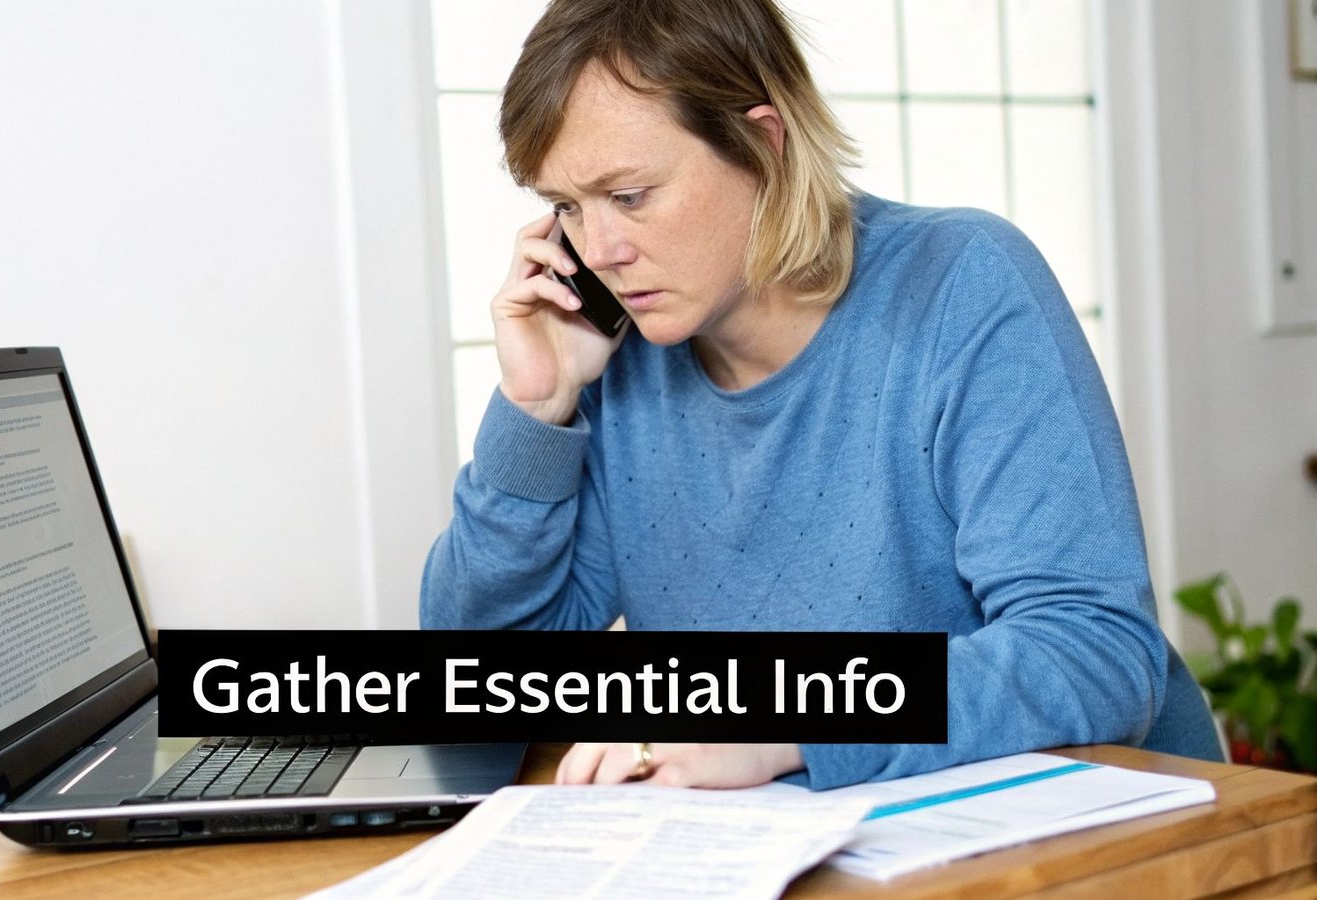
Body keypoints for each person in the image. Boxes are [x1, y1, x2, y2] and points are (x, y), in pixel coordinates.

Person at [420, 0, 1222, 790]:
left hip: (1108, 835)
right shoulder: (622, 361)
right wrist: (537, 408)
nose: (599, 252)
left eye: (629, 196)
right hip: (810, 841)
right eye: (566, 207)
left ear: (762, 145)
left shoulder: (961, 286)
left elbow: (1095, 651)